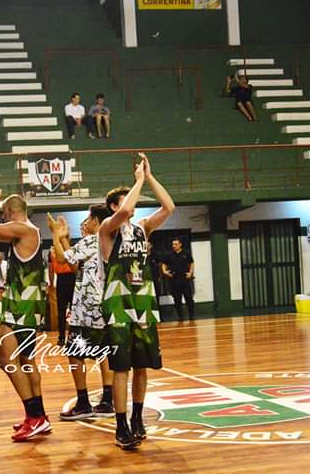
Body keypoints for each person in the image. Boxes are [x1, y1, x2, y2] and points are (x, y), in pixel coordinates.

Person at [98, 153, 175, 449]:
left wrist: (150, 177)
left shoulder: (143, 228)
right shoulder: (108, 227)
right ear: (115, 206)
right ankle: (120, 426)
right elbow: (127, 208)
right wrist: (138, 180)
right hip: (117, 306)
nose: (133, 204)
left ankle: (138, 418)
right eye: (127, 200)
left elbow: (169, 207)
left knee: (142, 367)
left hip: (143, 304)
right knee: (121, 368)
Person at [0, 182, 50, 441]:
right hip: (23, 305)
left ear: (9, 211)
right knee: (27, 362)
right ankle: (40, 416)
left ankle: (35, 417)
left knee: (7, 361)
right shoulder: (23, 231)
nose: (2, 217)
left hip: (23, 306)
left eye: (3, 212)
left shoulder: (23, 228)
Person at [48, 205, 115, 421]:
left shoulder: (91, 240)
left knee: (75, 354)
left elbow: (61, 259)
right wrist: (66, 240)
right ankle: (107, 401)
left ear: (96, 221)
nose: (86, 222)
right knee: (104, 353)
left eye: (88, 218)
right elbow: (78, 266)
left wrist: (56, 235)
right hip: (104, 305)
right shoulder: (109, 240)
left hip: (86, 308)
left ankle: (83, 402)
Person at [161, 238, 195, 321]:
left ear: (180, 244)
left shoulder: (186, 253)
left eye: (176, 244)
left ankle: (192, 316)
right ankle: (180, 317)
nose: (174, 246)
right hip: (174, 279)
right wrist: (164, 272)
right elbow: (164, 264)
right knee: (177, 299)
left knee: (189, 299)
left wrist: (190, 273)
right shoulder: (169, 254)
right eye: (173, 244)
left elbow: (191, 262)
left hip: (185, 278)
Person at [48, 248, 75, 346]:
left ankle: (62, 338)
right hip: (72, 280)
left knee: (61, 311)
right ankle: (72, 337)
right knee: (73, 311)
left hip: (62, 281)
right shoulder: (71, 249)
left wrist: (51, 284)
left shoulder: (52, 252)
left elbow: (50, 270)